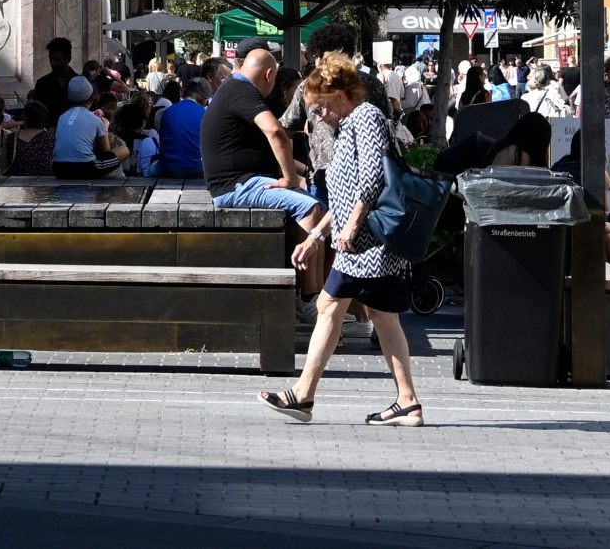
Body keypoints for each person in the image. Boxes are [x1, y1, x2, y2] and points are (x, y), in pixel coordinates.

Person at [261, 55, 425, 425]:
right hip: (365, 245)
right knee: (378, 316)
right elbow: (346, 193)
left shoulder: (365, 119)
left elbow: (369, 181)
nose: (317, 117)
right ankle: (406, 401)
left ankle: (304, 396)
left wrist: (348, 227)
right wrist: (317, 236)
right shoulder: (350, 124)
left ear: (340, 94)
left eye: (320, 107)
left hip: (366, 244)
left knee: (333, 306)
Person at [201, 44, 315, 211]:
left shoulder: (233, 87)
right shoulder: (242, 90)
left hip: (239, 182)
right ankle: (309, 238)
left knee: (309, 196)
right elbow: (275, 131)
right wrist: (291, 179)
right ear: (269, 75)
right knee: (311, 206)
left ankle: (298, 237)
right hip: (238, 186)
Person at [153, 65, 209, 181]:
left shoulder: (167, 112)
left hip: (167, 168)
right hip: (196, 169)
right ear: (204, 98)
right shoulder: (205, 115)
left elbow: (162, 143)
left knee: (148, 170)